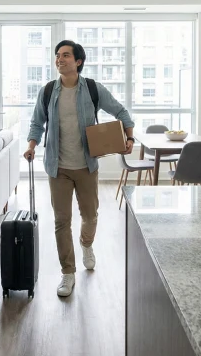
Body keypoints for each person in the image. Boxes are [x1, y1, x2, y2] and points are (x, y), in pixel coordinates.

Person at [24, 40, 135, 297]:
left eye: (65, 55)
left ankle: (86, 245)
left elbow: (121, 111)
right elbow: (36, 124)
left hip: (86, 164)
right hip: (57, 166)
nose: (59, 59)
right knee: (62, 221)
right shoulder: (48, 91)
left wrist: (129, 138)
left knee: (90, 215)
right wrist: (31, 145)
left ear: (78, 61)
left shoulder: (93, 89)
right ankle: (68, 272)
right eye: (57, 56)